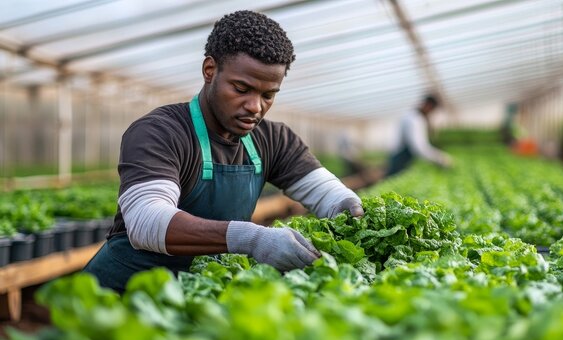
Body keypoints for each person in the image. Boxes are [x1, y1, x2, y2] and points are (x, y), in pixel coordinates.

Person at [84, 10, 363, 292]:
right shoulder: (159, 132)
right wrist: (253, 239)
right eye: (242, 88)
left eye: (268, 95)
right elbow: (148, 222)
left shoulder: (274, 139)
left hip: (193, 297)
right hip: (118, 298)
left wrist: (351, 210)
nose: (255, 106)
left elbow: (330, 196)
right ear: (210, 70)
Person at [386, 94, 452, 176]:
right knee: (393, 178)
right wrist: (440, 159)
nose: (430, 113)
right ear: (428, 105)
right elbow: (419, 147)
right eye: (431, 110)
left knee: (395, 178)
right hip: (400, 155)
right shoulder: (414, 119)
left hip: (401, 154)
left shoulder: (413, 116)